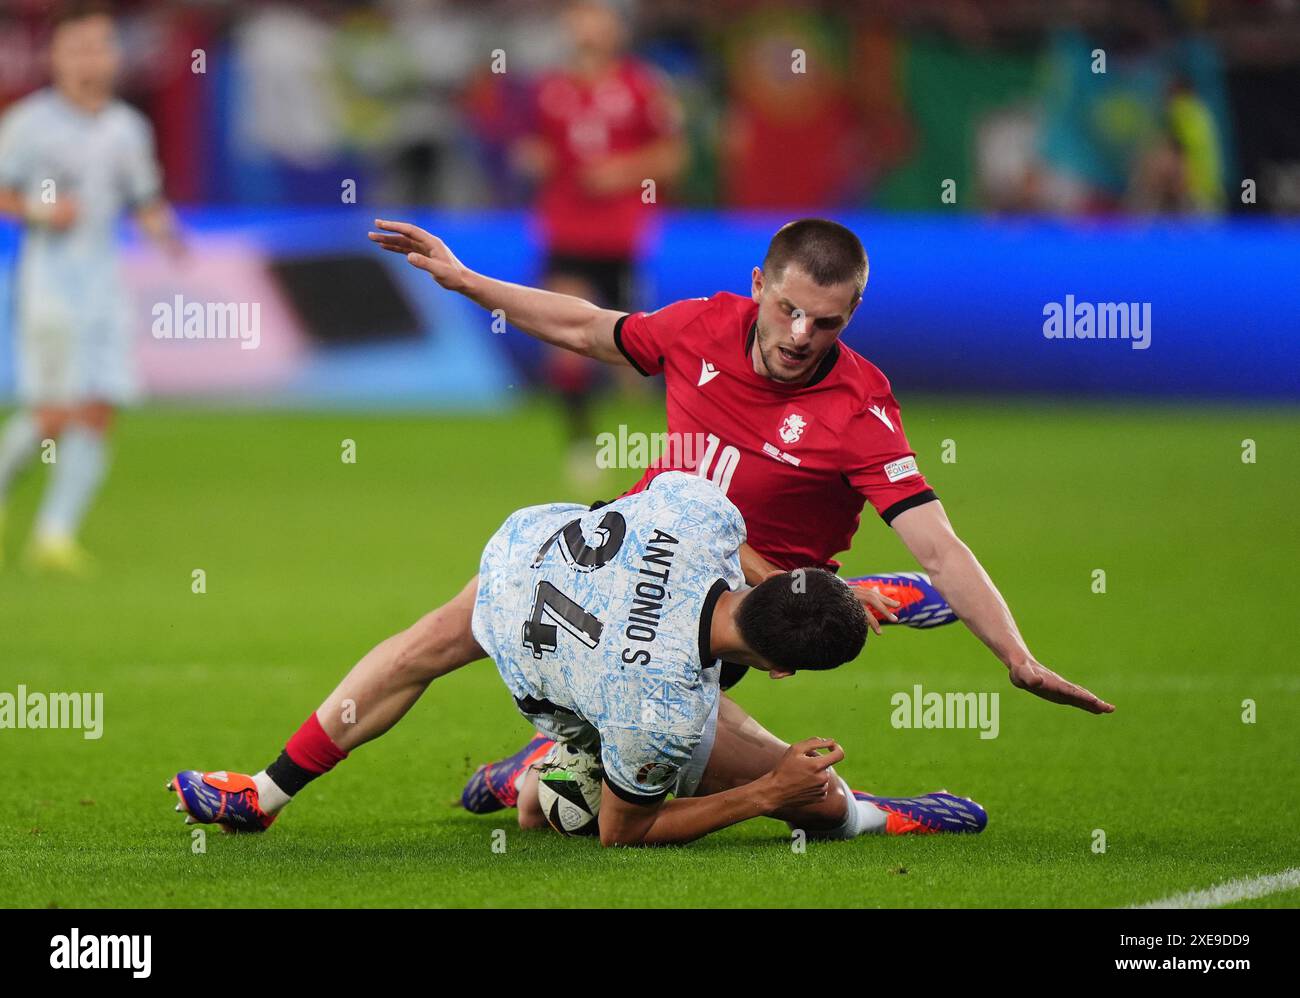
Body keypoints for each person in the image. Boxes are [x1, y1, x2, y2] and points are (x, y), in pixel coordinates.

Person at [364, 214, 1114, 815]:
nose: (799, 336)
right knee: (586, 772)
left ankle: (844, 788)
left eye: (824, 322)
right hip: (634, 567)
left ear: (853, 311)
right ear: (759, 285)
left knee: (621, 787)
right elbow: (587, 327)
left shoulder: (860, 410)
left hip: (741, 617)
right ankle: (860, 795)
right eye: (788, 310)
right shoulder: (704, 327)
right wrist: (466, 282)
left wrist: (1018, 661)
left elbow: (942, 547)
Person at [169, 472, 986, 844]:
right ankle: (877, 814)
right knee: (810, 795)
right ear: (784, 672)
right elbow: (624, 835)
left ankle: (266, 792)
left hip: (523, 562)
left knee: (415, 654)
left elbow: (682, 519)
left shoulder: (708, 517)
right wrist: (769, 792)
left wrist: (795, 589)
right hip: (611, 685)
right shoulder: (666, 712)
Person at [0, 0, 182, 573]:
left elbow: (144, 198)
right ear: (54, 54)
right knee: (54, 413)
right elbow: (5, 192)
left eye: (101, 45)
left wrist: (163, 232)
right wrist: (41, 209)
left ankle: (53, 536)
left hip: (106, 285)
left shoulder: (128, 127)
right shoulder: (30, 123)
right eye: (78, 47)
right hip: (50, 286)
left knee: (100, 405)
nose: (91, 58)